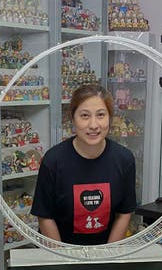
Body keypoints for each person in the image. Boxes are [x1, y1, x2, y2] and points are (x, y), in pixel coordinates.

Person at [31, 84, 136, 245]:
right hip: (61, 254)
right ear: (72, 119)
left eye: (101, 115)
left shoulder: (124, 159)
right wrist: (63, 261)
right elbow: (45, 216)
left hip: (106, 255)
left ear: (110, 117)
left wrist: (108, 256)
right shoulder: (53, 161)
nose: (93, 125)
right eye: (85, 116)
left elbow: (124, 212)